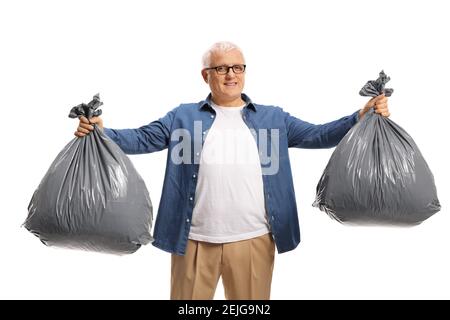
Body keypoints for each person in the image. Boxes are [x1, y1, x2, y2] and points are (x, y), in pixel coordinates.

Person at [75, 41, 390, 300]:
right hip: (193, 240)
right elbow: (142, 139)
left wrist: (359, 117)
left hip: (254, 240)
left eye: (237, 67)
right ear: (206, 75)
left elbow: (319, 135)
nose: (231, 75)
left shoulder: (272, 118)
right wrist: (103, 133)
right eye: (222, 68)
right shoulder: (182, 117)